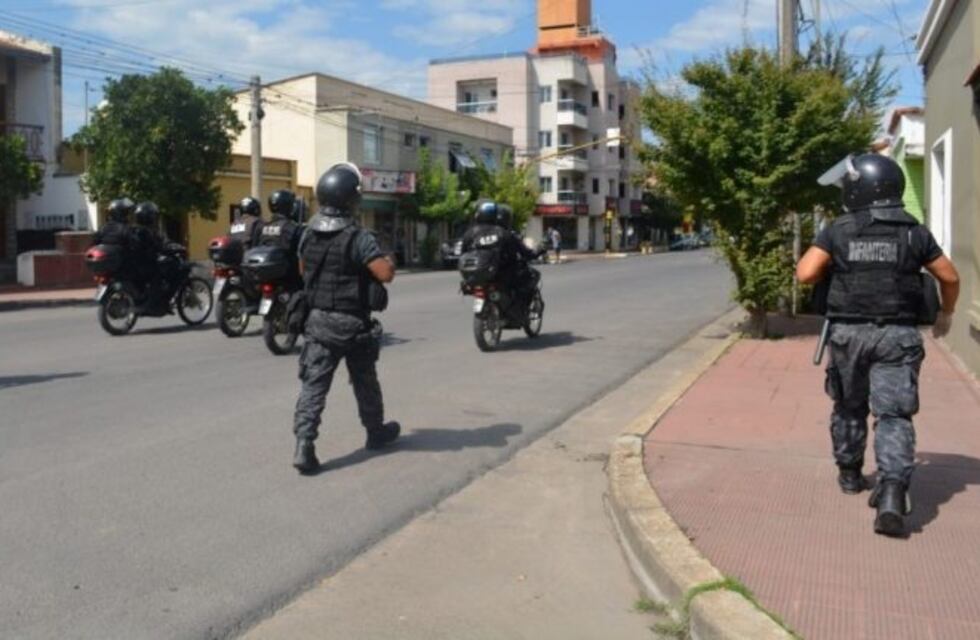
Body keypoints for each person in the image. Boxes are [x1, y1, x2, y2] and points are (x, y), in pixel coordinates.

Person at [797, 153, 960, 537]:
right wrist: (947, 314)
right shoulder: (914, 231)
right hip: (898, 338)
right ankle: (892, 492)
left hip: (848, 335)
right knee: (894, 416)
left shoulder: (838, 229)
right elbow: (950, 277)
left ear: (860, 188)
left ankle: (850, 474)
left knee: (849, 405)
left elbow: (805, 273)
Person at [292, 162, 400, 474]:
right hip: (353, 325)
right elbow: (385, 274)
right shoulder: (359, 237)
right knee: (365, 381)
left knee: (313, 386)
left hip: (318, 323)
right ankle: (375, 432)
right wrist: (389, 260)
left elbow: (304, 270)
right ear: (350, 199)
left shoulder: (307, 234)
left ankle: (304, 445)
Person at [259, 189, 305, 288]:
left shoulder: (263, 227)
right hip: (289, 278)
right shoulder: (292, 227)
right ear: (287, 206)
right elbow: (302, 252)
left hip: (266, 275)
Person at [131, 201, 168, 309]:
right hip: (144, 263)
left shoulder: (133, 229)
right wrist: (164, 248)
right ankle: (152, 303)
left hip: (133, 264)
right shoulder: (146, 231)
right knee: (158, 276)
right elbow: (157, 245)